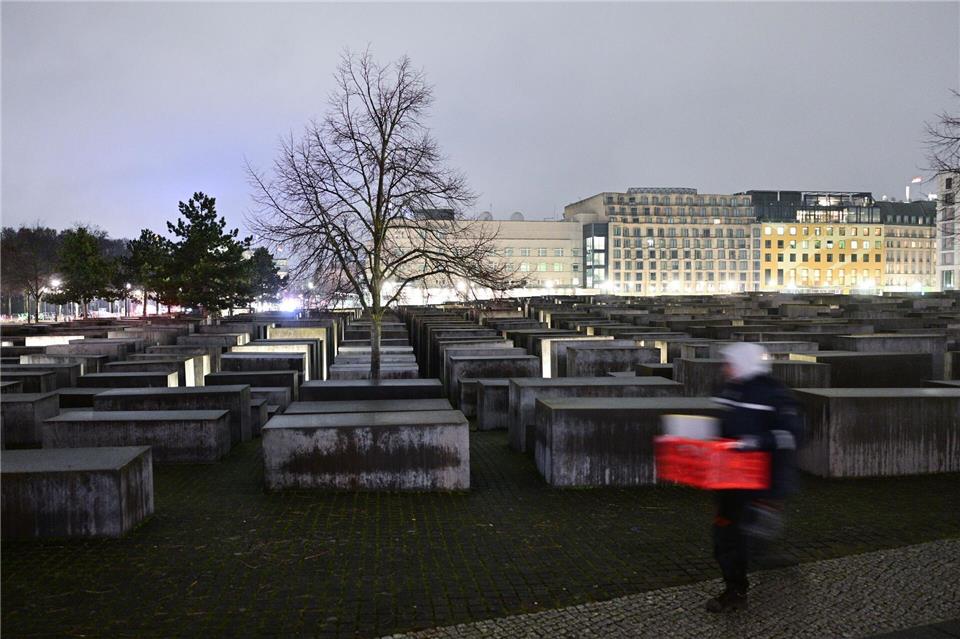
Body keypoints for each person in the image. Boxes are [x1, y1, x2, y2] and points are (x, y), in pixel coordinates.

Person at [704, 342, 803, 613]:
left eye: (730, 363)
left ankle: (736, 590)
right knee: (729, 535)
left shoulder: (773, 394)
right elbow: (723, 429)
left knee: (730, 537)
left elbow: (792, 435)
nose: (725, 368)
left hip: (759, 480)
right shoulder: (732, 389)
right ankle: (758, 555)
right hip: (732, 479)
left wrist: (753, 442)